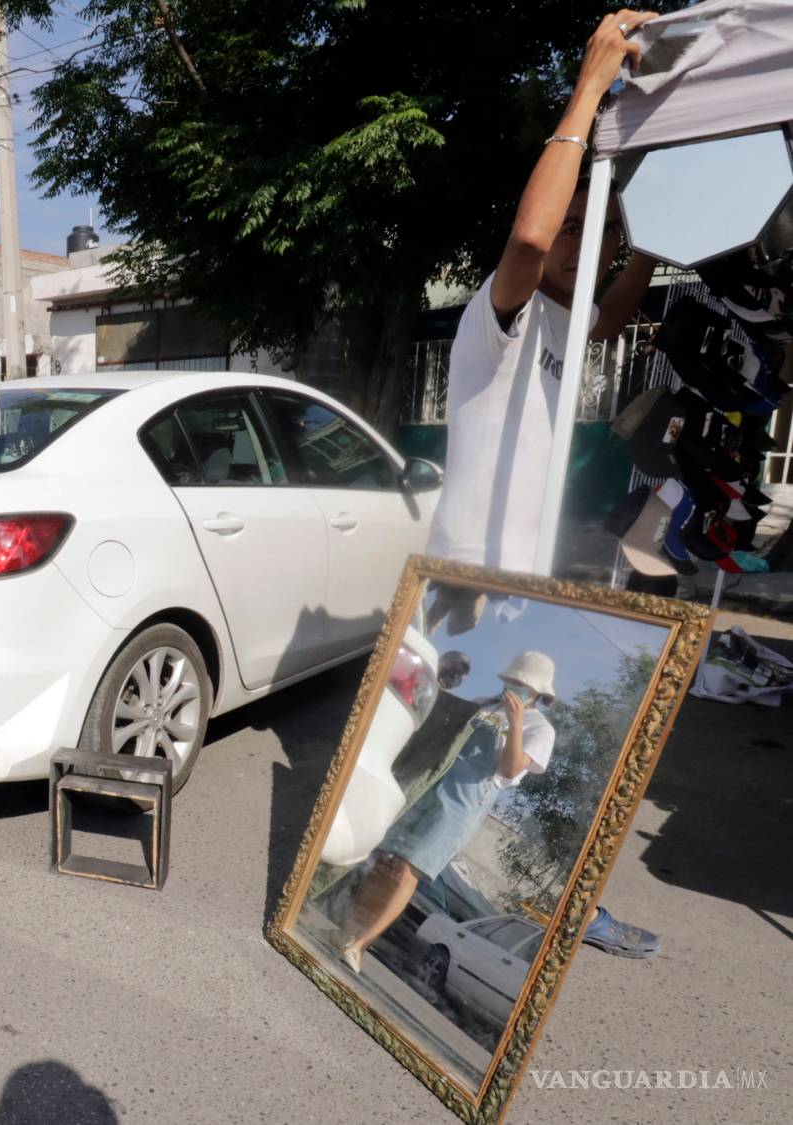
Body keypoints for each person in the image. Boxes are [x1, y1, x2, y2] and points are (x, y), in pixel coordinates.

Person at [421, 9, 662, 961]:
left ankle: (548, 897)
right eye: (571, 227)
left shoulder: (569, 328)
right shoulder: (501, 312)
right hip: (462, 590)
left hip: (519, 593)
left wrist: (653, 231)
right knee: (443, 758)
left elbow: (613, 312)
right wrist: (588, 91)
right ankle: (394, 879)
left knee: (508, 765)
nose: (575, 242)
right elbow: (526, 243)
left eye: (587, 233)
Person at [333, 653, 559, 972]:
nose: (514, 687)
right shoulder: (482, 703)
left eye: (522, 684)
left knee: (409, 869)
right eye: (512, 680)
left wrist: (517, 721)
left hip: (464, 802)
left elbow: (509, 771)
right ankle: (345, 932)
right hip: (431, 782)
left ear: (538, 691)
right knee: (385, 861)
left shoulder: (541, 729)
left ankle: (361, 943)